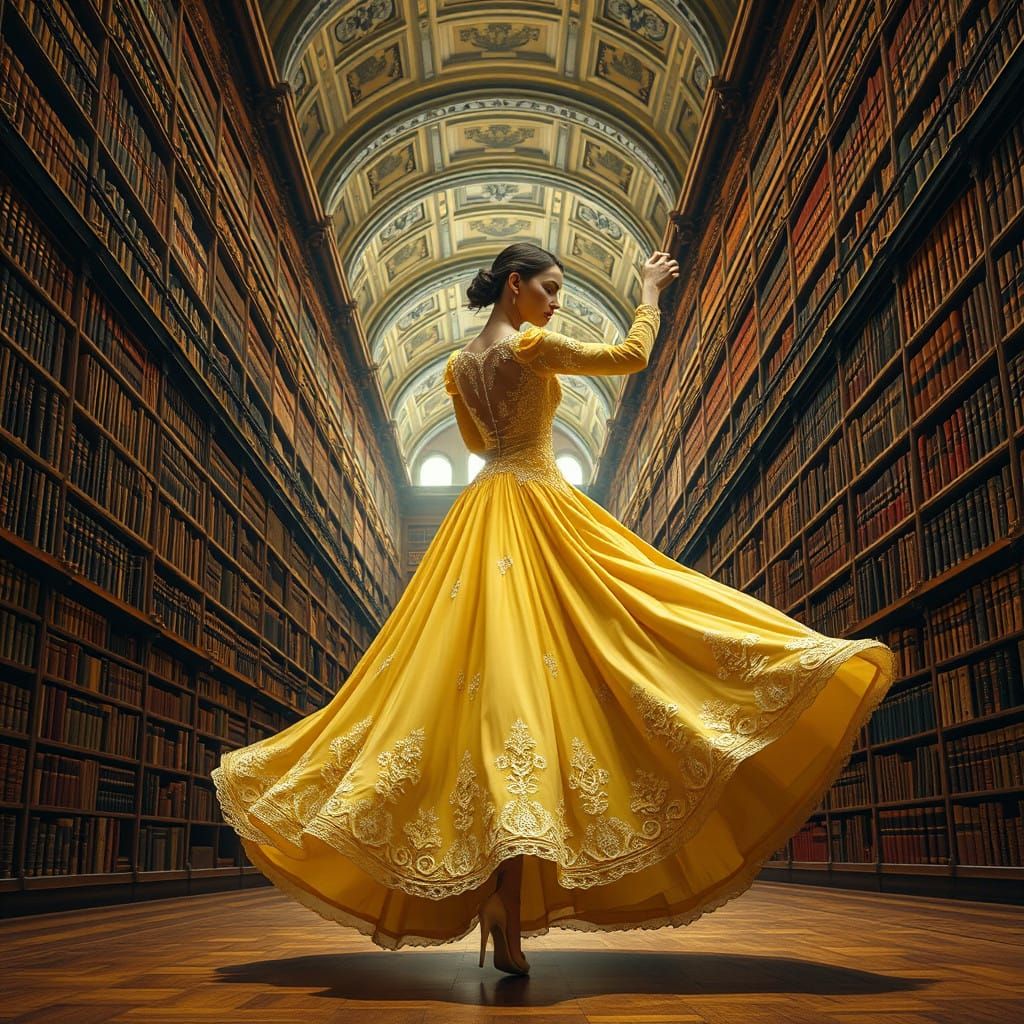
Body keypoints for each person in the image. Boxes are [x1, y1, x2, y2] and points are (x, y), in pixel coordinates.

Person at [212, 243, 896, 975]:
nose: (556, 300)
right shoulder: (533, 346)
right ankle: (509, 896)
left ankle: (499, 899)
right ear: (516, 287)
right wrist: (648, 291)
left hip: (480, 518)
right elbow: (631, 357)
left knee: (487, 705)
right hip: (539, 509)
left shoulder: (458, 367)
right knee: (637, 619)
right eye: (550, 287)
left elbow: (479, 443)